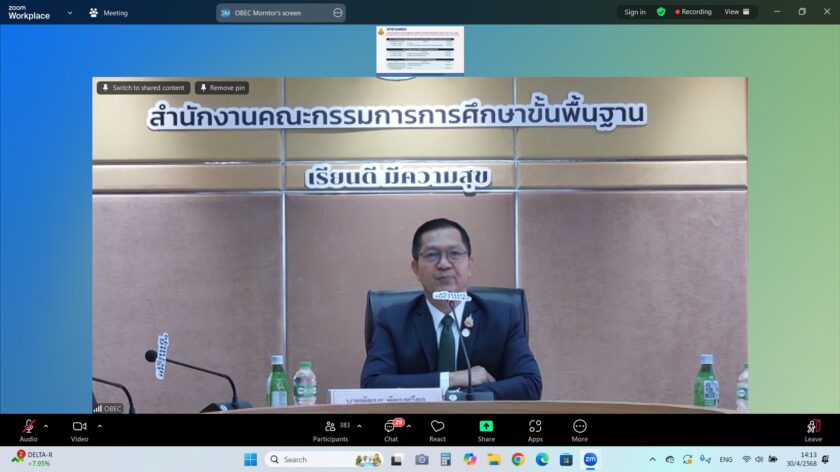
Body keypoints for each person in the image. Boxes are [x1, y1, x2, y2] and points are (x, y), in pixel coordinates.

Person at [360, 218, 542, 400]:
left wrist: (461, 397)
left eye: (454, 254)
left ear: (469, 264)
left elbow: (530, 384)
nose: (444, 264)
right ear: (415, 268)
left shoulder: (502, 317)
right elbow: (372, 384)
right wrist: (452, 379)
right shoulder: (393, 320)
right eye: (432, 255)